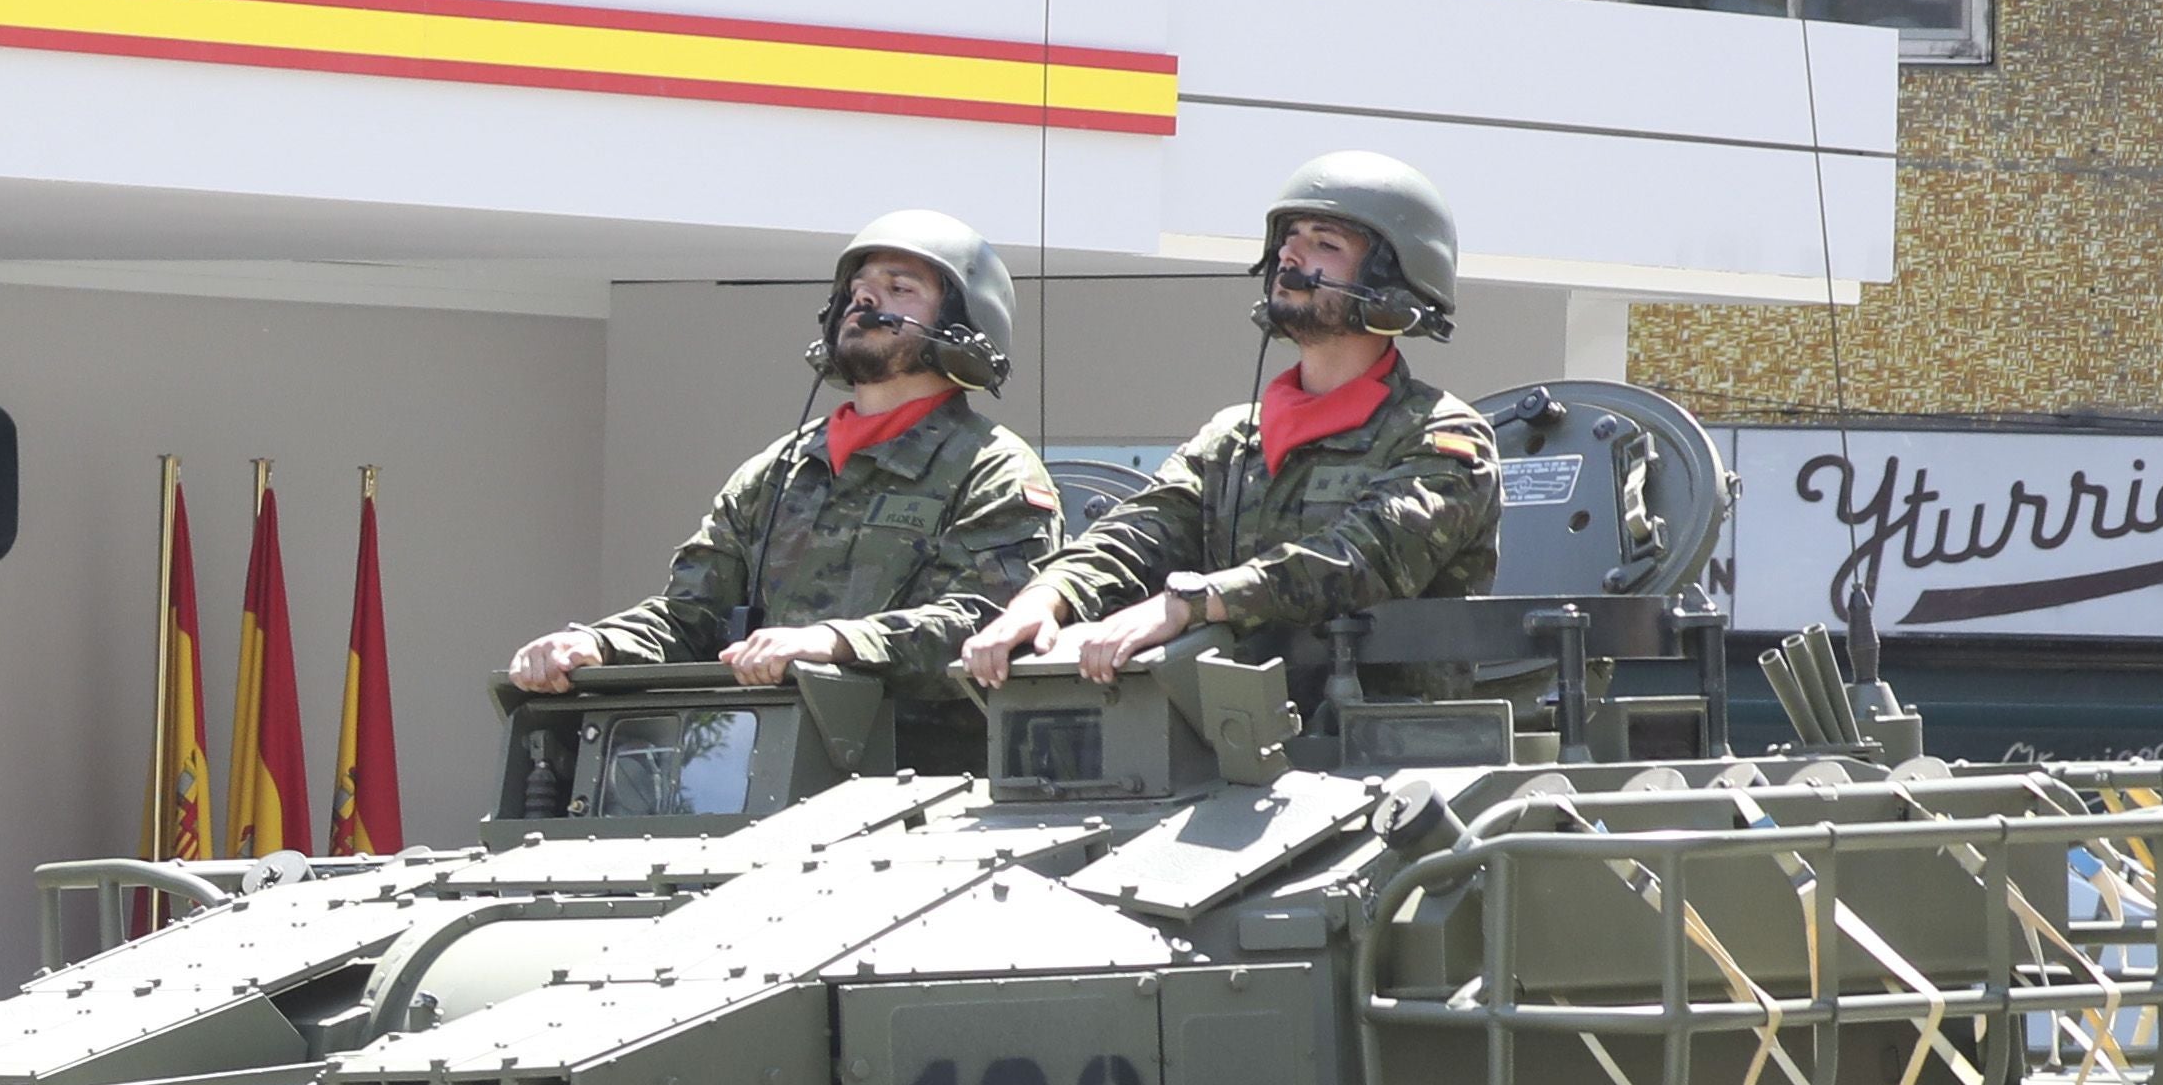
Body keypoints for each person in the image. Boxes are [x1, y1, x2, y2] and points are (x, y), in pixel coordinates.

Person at [952, 153, 1504, 704]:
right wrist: (1047, 597)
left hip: (1394, 755)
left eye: (1325, 244)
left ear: (1391, 284)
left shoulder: (1442, 437)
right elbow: (1144, 529)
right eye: (1290, 238)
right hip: (1225, 742)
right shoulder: (1234, 437)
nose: (1290, 255)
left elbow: (1358, 559)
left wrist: (1192, 603)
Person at [514, 213, 1059, 767]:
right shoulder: (778, 470)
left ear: (961, 323)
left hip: (925, 789)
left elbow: (989, 626)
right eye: (857, 290)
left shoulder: (994, 470)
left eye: (899, 289)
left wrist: (835, 643)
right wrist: (598, 645)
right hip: (764, 777)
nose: (865, 304)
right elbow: (693, 617)